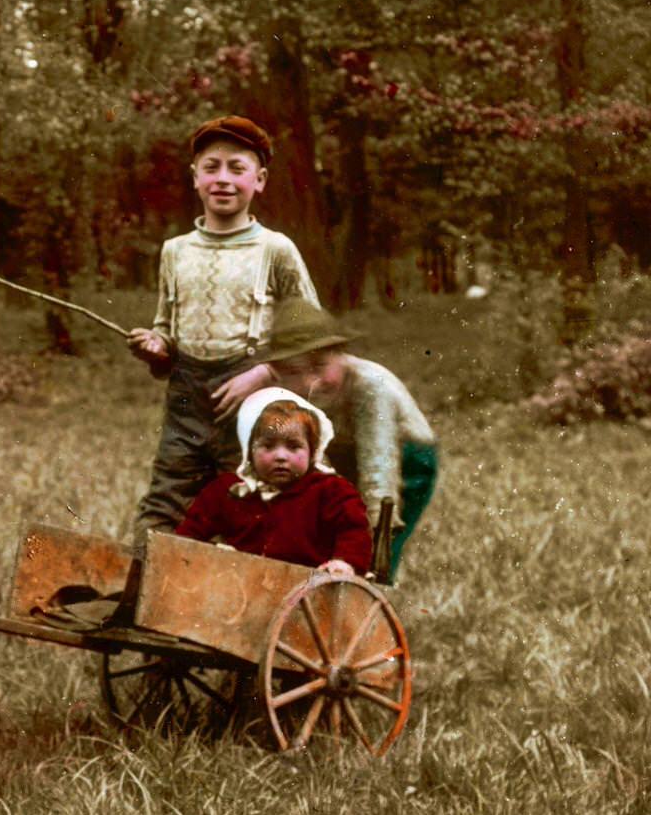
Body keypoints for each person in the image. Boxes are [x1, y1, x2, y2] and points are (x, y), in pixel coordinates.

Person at [128, 115, 319, 548]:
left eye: (237, 168)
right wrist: (156, 346)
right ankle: (139, 600)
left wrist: (263, 374)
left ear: (261, 180)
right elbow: (166, 332)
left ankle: (243, 609)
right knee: (165, 503)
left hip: (252, 404)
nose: (223, 179)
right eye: (211, 167)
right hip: (185, 399)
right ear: (195, 178)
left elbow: (312, 335)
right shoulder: (174, 252)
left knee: (248, 505)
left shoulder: (275, 249)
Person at [261, 298, 438, 576]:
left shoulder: (370, 388)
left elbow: (379, 471)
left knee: (378, 543)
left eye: (319, 366)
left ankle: (374, 589)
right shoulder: (288, 393)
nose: (309, 382)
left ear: (342, 356)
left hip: (406, 456)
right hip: (346, 451)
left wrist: (368, 537)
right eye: (294, 372)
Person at [176, 388, 372, 576]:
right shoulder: (229, 490)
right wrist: (202, 553)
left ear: (312, 452)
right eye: (268, 446)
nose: (280, 456)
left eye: (293, 446)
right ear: (249, 450)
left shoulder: (332, 491)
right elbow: (190, 531)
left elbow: (353, 532)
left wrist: (344, 562)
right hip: (239, 587)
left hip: (306, 592)